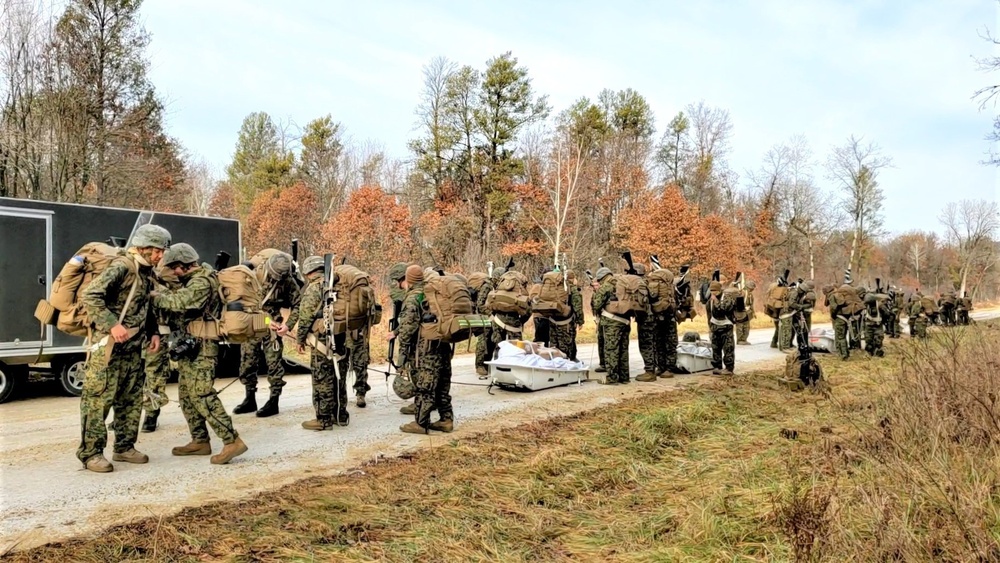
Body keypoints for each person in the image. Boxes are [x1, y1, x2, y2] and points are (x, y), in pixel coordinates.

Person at [77, 224, 170, 473]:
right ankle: (91, 453)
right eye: (158, 250)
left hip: (133, 346)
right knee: (98, 400)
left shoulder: (146, 271)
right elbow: (91, 295)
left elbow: (144, 306)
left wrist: (153, 332)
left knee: (130, 398)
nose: (161, 255)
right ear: (144, 247)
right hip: (108, 347)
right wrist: (111, 324)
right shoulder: (122, 266)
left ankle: (124, 447)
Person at [153, 243, 248, 464]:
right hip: (191, 345)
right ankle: (200, 440)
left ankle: (231, 440)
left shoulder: (202, 281)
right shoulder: (193, 280)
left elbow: (180, 302)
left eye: (175, 267)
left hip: (203, 347)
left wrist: (154, 295)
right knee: (186, 396)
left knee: (203, 395)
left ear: (183, 265)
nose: (173, 272)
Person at [233, 251, 301, 418]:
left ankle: (274, 401)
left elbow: (299, 305)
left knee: (274, 363)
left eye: (280, 277)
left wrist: (288, 325)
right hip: (254, 322)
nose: (277, 280)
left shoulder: (287, 280)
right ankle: (250, 399)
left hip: (274, 325)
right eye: (275, 276)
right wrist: (263, 321)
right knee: (247, 361)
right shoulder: (253, 275)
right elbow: (242, 303)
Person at [390, 265, 452, 434]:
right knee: (441, 384)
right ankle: (446, 419)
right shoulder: (432, 292)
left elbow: (408, 330)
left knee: (425, 386)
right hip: (443, 345)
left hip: (425, 350)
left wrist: (401, 357)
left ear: (407, 279)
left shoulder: (413, 298)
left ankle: (421, 423)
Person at [295, 255, 350, 430]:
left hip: (322, 339)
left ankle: (323, 419)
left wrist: (300, 339)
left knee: (322, 379)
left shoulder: (314, 288)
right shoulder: (340, 285)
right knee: (338, 376)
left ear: (309, 272)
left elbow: (305, 317)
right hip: (341, 336)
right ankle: (341, 414)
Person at [140, 263, 181, 433]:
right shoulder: (134, 282)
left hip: (157, 334)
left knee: (154, 375)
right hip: (134, 334)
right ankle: (128, 416)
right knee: (132, 377)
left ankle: (151, 413)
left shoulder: (161, 285)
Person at [591, 268, 630, 384]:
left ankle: (612, 377)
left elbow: (597, 304)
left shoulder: (606, 286)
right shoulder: (623, 283)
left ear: (601, 277)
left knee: (611, 349)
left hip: (612, 322)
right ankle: (624, 377)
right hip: (625, 321)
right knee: (623, 349)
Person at [548, 270, 585, 362]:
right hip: (566, 323)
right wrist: (580, 321)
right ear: (573, 279)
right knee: (566, 346)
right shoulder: (572, 289)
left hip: (552, 321)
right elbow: (577, 307)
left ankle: (554, 365)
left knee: (554, 345)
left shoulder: (553, 288)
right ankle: (567, 364)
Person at [706, 280, 737, 375]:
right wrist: (710, 327)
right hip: (715, 326)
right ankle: (717, 366)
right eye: (711, 290)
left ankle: (729, 368)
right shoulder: (709, 301)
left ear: (719, 290)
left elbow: (723, 310)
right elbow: (709, 314)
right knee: (715, 347)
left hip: (726, 326)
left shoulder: (726, 298)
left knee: (728, 347)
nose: (713, 292)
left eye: (715, 290)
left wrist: (716, 301)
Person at [591, 267, 612, 373]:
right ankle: (603, 363)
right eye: (593, 286)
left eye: (596, 285)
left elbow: (597, 305)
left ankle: (608, 366)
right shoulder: (595, 294)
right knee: (601, 341)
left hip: (608, 318)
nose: (595, 287)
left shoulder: (605, 289)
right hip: (601, 319)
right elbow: (594, 307)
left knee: (608, 343)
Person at [734, 280, 756, 345]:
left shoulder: (750, 295)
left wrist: (753, 312)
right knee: (740, 327)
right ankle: (740, 340)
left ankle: (744, 339)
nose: (752, 289)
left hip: (747, 313)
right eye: (752, 288)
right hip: (740, 313)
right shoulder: (742, 293)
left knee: (746, 327)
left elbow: (751, 304)